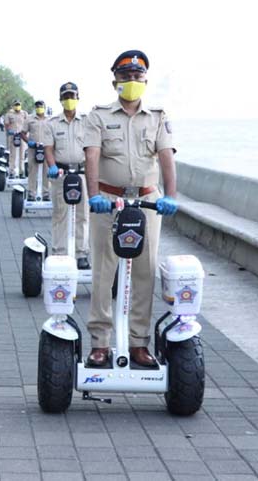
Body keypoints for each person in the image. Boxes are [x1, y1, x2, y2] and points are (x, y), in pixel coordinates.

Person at [83, 50, 178, 368]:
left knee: (145, 272)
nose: (132, 81)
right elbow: (92, 156)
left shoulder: (158, 117)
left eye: (137, 77)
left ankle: (139, 343)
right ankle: (100, 343)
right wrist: (93, 195)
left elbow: (166, 157)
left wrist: (171, 196)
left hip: (147, 201)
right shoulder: (98, 115)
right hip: (108, 202)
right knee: (103, 271)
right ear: (115, 82)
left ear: (145, 81)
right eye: (126, 77)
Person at [45, 82, 90, 269]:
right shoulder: (53, 123)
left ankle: (81, 253)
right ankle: (60, 253)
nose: (69, 100)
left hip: (82, 173)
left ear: (78, 98)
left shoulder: (87, 121)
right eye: (66, 97)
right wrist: (53, 166)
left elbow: (93, 148)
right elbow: (48, 148)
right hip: (61, 174)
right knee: (60, 214)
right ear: (60, 100)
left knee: (83, 215)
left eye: (72, 96)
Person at [22, 100, 52, 201]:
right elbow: (23, 133)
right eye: (38, 106)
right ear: (35, 108)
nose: (39, 108)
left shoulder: (50, 119)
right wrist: (29, 142)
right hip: (33, 149)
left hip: (47, 149)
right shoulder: (29, 119)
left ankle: (46, 193)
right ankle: (31, 193)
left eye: (41, 106)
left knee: (46, 171)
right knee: (32, 170)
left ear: (45, 107)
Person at [5, 100, 28, 178]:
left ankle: (22, 172)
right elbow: (7, 125)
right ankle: (11, 172)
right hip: (13, 136)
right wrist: (9, 131)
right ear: (13, 105)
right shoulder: (9, 114)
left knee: (22, 155)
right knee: (13, 155)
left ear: (21, 105)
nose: (17, 106)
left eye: (18, 104)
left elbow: (28, 123)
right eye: (16, 105)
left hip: (22, 136)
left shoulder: (24, 113)